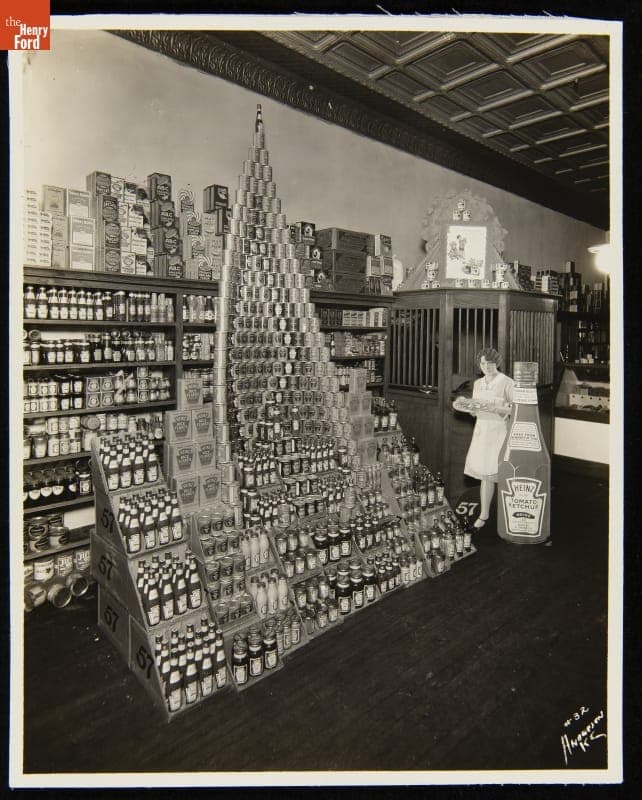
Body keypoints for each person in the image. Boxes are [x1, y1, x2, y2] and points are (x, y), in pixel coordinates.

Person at [462, 348, 514, 529]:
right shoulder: (478, 383)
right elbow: (476, 410)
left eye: (490, 363)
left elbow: (515, 410)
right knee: (486, 475)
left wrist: (496, 409)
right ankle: (484, 515)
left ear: (497, 363)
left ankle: (511, 516)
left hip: (500, 432)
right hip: (482, 432)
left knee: (503, 473)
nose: (486, 367)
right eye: (483, 363)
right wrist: (471, 409)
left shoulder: (507, 383)